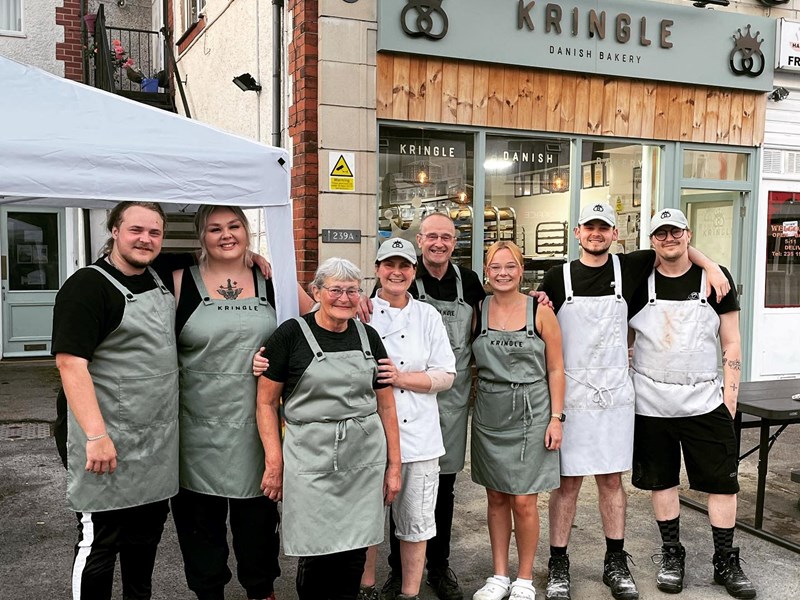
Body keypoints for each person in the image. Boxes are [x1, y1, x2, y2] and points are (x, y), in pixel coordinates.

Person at [538, 203, 730, 600]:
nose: (596, 233)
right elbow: (542, 333)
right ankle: (559, 563)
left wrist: (710, 266)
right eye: (589, 227)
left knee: (611, 480)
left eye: (603, 228)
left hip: (615, 399)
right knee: (567, 483)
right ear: (577, 232)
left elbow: (676, 247)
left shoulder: (632, 268)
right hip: (571, 396)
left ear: (615, 235)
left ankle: (616, 560)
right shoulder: (557, 278)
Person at [170, 205, 315, 600]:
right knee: (201, 526)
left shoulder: (273, 280)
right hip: (195, 431)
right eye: (214, 228)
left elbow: (320, 318)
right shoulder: (179, 281)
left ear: (248, 232)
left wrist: (361, 302)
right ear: (201, 236)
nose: (226, 235)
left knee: (257, 524)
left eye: (234, 226)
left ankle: (261, 590)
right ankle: (208, 592)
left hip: (259, 430)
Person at [52, 201, 178, 600]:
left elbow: (212, 255)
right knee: (101, 542)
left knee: (145, 540)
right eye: (136, 230)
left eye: (155, 233)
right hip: (104, 437)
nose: (145, 239)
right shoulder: (87, 286)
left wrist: (253, 255)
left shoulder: (158, 275)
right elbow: (71, 364)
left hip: (156, 440)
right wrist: (95, 435)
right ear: (114, 231)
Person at [256, 258, 402, 600]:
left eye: (352, 290)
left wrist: (393, 467)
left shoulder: (369, 336)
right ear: (316, 292)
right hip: (310, 459)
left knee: (355, 551)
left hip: (363, 459)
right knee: (317, 551)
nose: (344, 297)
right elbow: (265, 403)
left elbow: (386, 405)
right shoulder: (291, 335)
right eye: (335, 289)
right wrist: (274, 464)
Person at [628, 209, 754, 599]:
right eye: (661, 233)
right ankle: (671, 554)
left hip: (705, 399)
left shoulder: (716, 280)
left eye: (676, 232)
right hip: (651, 402)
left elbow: (731, 340)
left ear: (689, 234)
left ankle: (725, 560)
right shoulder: (637, 281)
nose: (669, 239)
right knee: (661, 481)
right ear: (651, 240)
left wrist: (729, 396)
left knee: (722, 484)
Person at [360, 212, 486, 600]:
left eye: (446, 236)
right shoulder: (361, 309)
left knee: (435, 495)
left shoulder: (466, 284)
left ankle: (437, 566)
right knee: (370, 504)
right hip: (376, 419)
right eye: (431, 236)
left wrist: (537, 300)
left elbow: (493, 314)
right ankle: (390, 575)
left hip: (437, 411)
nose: (438, 242)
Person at [471, 241, 564, 600]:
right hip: (489, 414)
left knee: (524, 501)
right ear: (486, 271)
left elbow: (556, 368)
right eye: (496, 267)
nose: (503, 273)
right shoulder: (478, 310)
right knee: (495, 497)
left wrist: (556, 418)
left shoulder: (539, 311)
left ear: (521, 270)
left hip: (532, 412)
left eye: (510, 266)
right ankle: (499, 575)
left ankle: (523, 578)